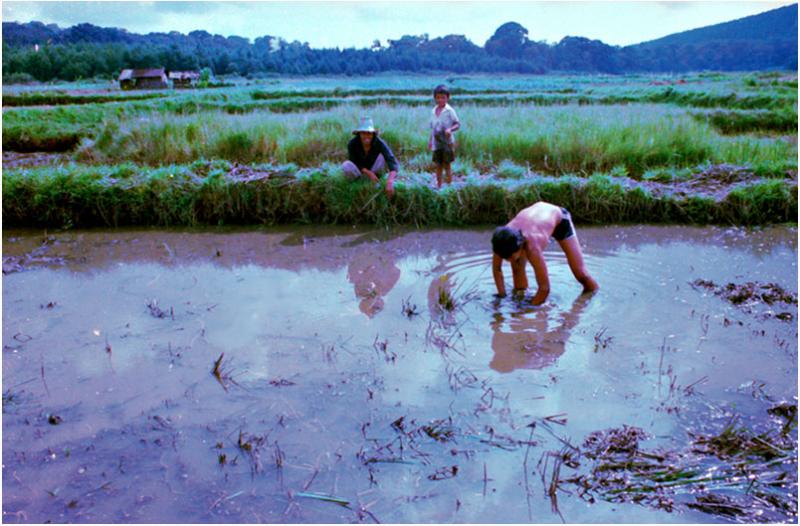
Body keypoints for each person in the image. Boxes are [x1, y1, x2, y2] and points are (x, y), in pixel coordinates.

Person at [491, 202, 599, 305]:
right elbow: (497, 269)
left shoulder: (533, 247)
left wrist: (526, 310)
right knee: (517, 266)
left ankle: (595, 293)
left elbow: (544, 288)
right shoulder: (501, 240)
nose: (508, 261)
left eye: (510, 257)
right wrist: (502, 296)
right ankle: (520, 295)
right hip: (538, 220)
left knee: (580, 273)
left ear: (520, 246)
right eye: (505, 258)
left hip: (560, 221)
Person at [342, 116, 399, 198]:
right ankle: (359, 182)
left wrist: (390, 182)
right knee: (346, 165)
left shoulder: (379, 143)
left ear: (373, 134)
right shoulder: (352, 144)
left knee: (382, 156)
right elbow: (354, 160)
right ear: (359, 134)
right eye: (363, 133)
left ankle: (377, 180)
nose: (366, 136)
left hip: (375, 170)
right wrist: (368, 173)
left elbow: (391, 160)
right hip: (360, 172)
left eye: (369, 133)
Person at [428, 85, 460, 188]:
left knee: (447, 165)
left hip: (447, 142)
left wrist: (450, 129)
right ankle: (439, 186)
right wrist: (430, 141)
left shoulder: (450, 110)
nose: (440, 100)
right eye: (438, 97)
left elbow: (457, 124)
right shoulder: (433, 111)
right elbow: (432, 128)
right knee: (438, 165)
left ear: (447, 98)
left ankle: (450, 186)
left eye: (443, 97)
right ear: (435, 98)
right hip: (436, 143)